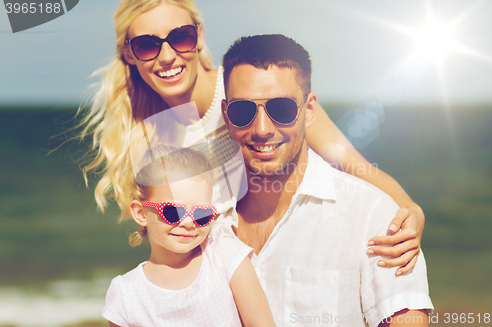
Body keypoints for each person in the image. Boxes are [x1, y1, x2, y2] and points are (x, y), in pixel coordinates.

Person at [79, 0, 423, 274]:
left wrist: (409, 209)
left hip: (296, 262)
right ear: (129, 53)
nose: (167, 56)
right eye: (147, 44)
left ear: (198, 37)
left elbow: (351, 163)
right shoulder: (147, 136)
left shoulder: (254, 88)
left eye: (180, 37)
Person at [219, 34, 433, 327]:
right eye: (242, 111)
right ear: (225, 115)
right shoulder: (203, 217)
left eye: (280, 108)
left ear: (309, 111)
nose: (262, 129)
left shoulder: (375, 219)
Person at [102, 145, 276, 326]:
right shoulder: (126, 294)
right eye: (174, 212)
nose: (188, 222)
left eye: (201, 214)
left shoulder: (226, 257)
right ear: (141, 213)